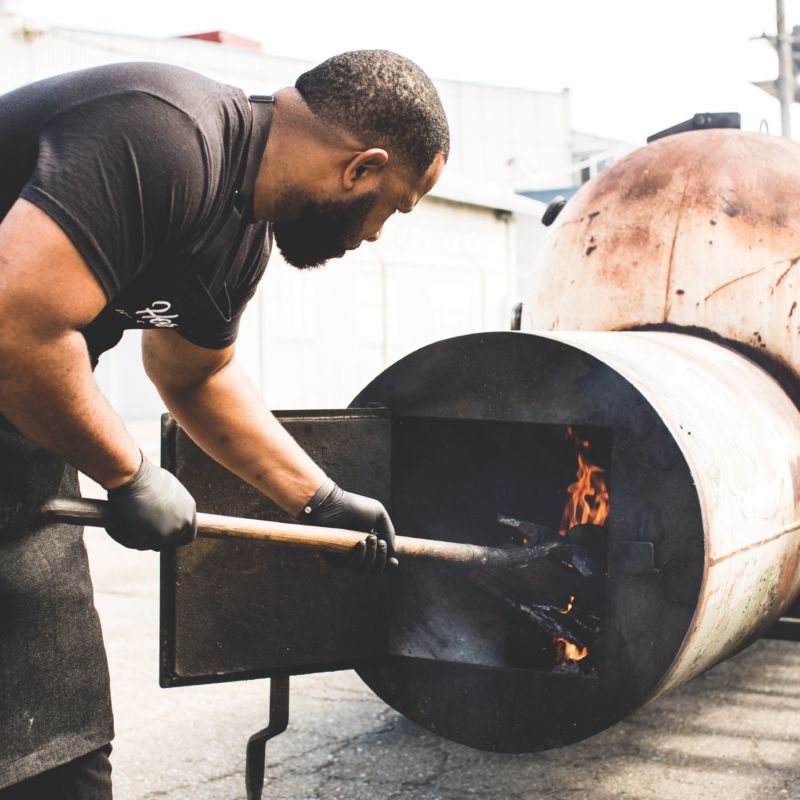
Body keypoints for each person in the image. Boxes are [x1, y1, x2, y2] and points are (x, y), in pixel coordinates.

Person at [0, 50, 449, 798]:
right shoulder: (165, 134)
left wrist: (319, 500)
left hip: (21, 445)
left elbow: (197, 376)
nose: (375, 234)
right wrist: (128, 472)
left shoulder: (240, 236)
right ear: (361, 169)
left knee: (55, 762)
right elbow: (14, 322)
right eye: (394, 207)